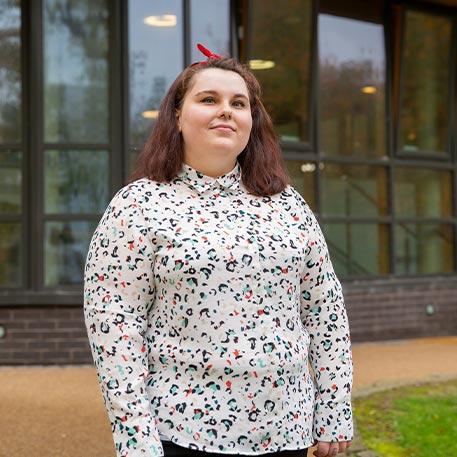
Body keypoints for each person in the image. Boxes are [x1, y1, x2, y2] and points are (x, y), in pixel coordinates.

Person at [83, 43, 353, 457]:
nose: (226, 110)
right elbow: (114, 325)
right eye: (209, 99)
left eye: (239, 103)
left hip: (287, 431)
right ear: (177, 115)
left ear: (251, 121)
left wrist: (334, 410)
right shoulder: (138, 205)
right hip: (183, 432)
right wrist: (135, 437)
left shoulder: (287, 204)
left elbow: (323, 308)